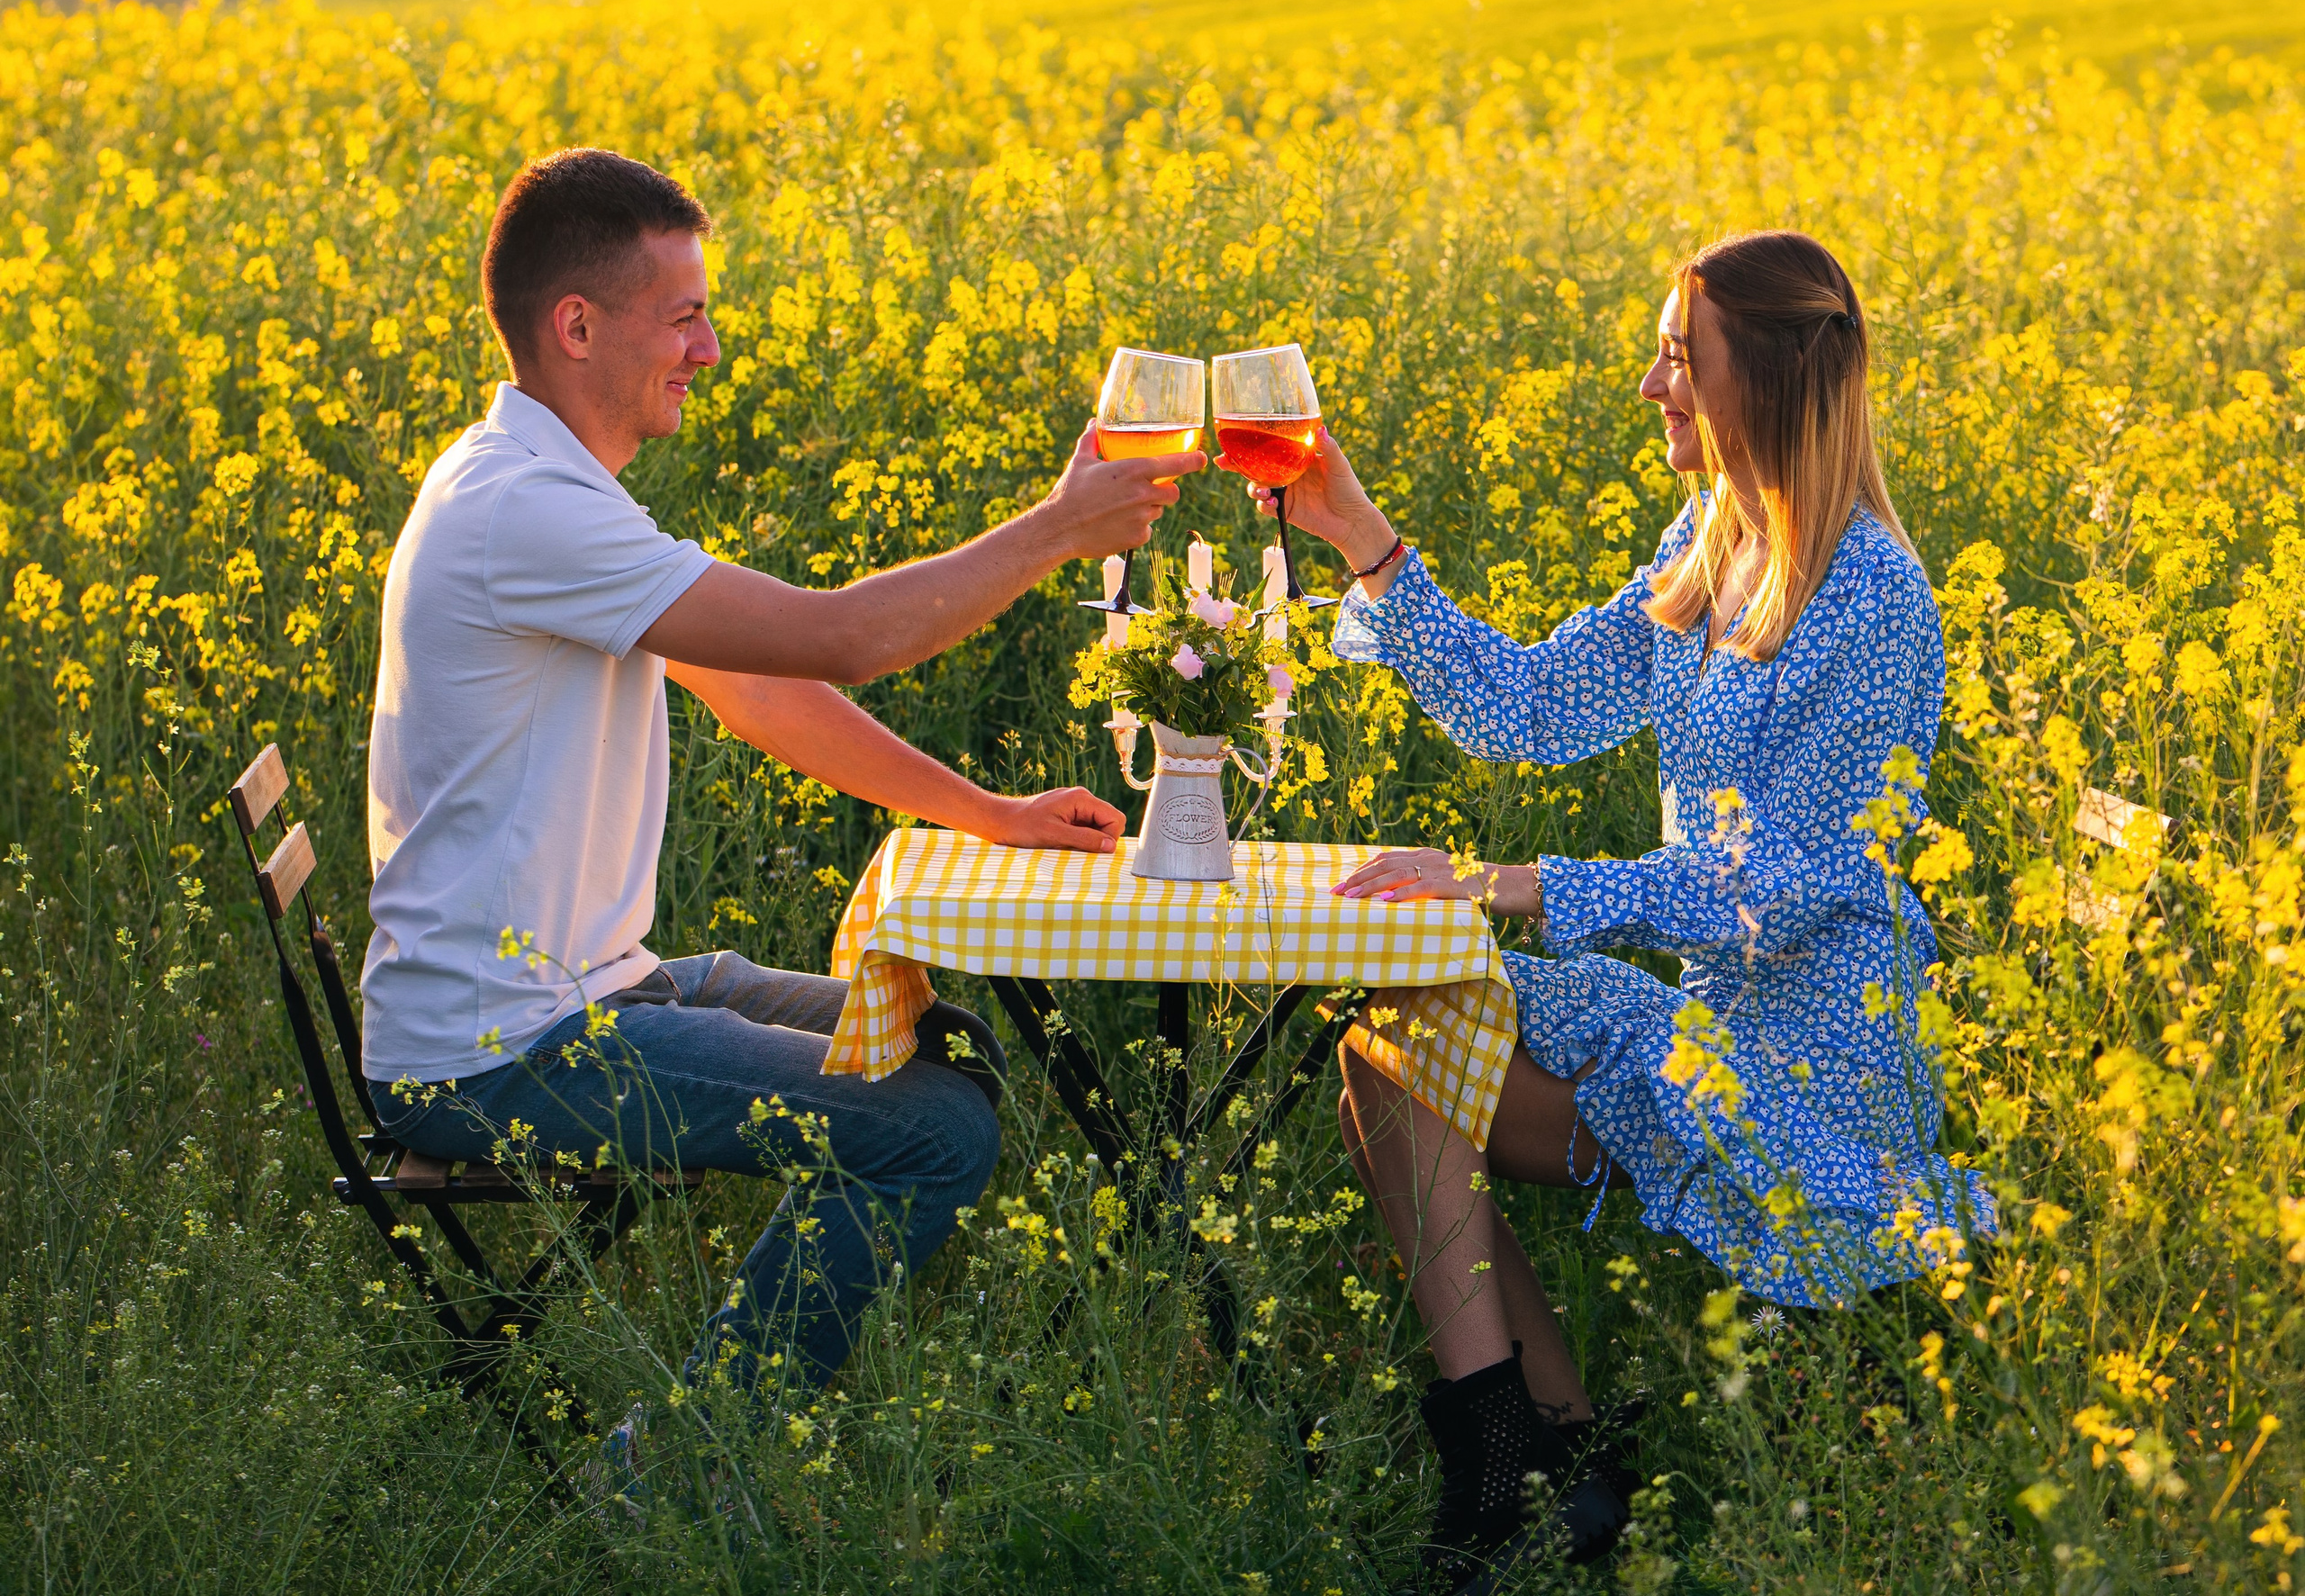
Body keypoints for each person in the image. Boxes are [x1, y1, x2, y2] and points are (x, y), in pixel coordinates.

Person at [360, 149, 1203, 1441]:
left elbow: (759, 687)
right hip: (503, 1053)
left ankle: (730, 1431)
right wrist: (1055, 528)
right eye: (684, 314)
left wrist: (984, 812)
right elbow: (838, 639)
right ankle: (687, 1472)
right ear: (575, 326)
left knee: (951, 1046)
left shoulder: (542, 493)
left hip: (588, 986)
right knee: (929, 1130)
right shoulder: (525, 513)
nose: (708, 347)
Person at [1225, 230, 1997, 1588]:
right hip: (1705, 1025)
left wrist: (1514, 886)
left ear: (1760, 376)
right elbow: (1531, 706)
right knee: (1387, 1046)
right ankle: (1544, 1452)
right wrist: (1358, 532)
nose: (1651, 386)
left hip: (1810, 1069)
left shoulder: (1873, 600)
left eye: (1677, 356)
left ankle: (1520, 1472)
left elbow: (1793, 892)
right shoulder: (1712, 548)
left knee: (1413, 1059)